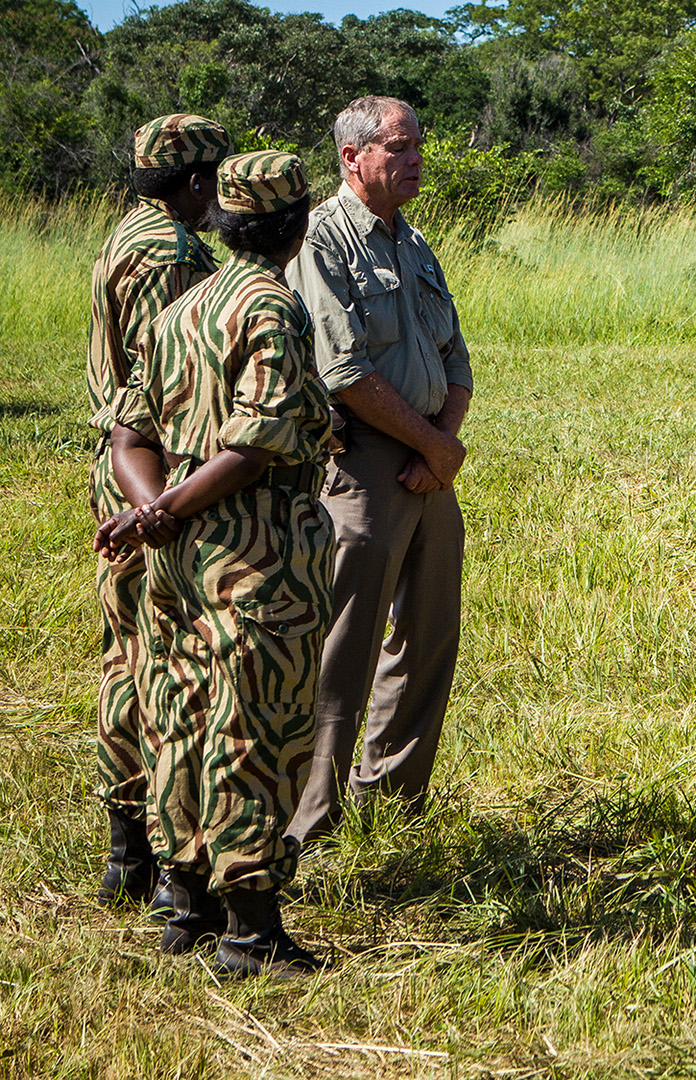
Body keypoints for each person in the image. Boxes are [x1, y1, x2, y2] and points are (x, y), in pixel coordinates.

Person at [100, 150, 334, 975]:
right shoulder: (272, 306)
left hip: (176, 559)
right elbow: (256, 440)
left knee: (181, 714)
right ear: (296, 223)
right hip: (256, 550)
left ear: (229, 222)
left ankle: (185, 900)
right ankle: (250, 929)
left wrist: (149, 509)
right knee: (255, 728)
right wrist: (167, 508)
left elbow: (128, 435)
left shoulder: (183, 309)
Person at [286, 96, 472, 843]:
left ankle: (393, 802)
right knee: (344, 647)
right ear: (351, 157)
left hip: (431, 467)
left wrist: (443, 445)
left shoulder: (415, 242)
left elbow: (454, 355)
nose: (415, 158)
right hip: (360, 469)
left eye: (418, 144)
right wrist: (430, 446)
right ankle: (311, 818)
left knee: (427, 639)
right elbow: (344, 371)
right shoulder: (321, 241)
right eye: (398, 147)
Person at [86, 113, 231, 909]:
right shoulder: (166, 254)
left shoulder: (127, 232)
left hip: (134, 478)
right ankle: (155, 854)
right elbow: (159, 389)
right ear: (198, 179)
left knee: (128, 655)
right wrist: (170, 500)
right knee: (159, 665)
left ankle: (129, 853)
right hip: (157, 483)